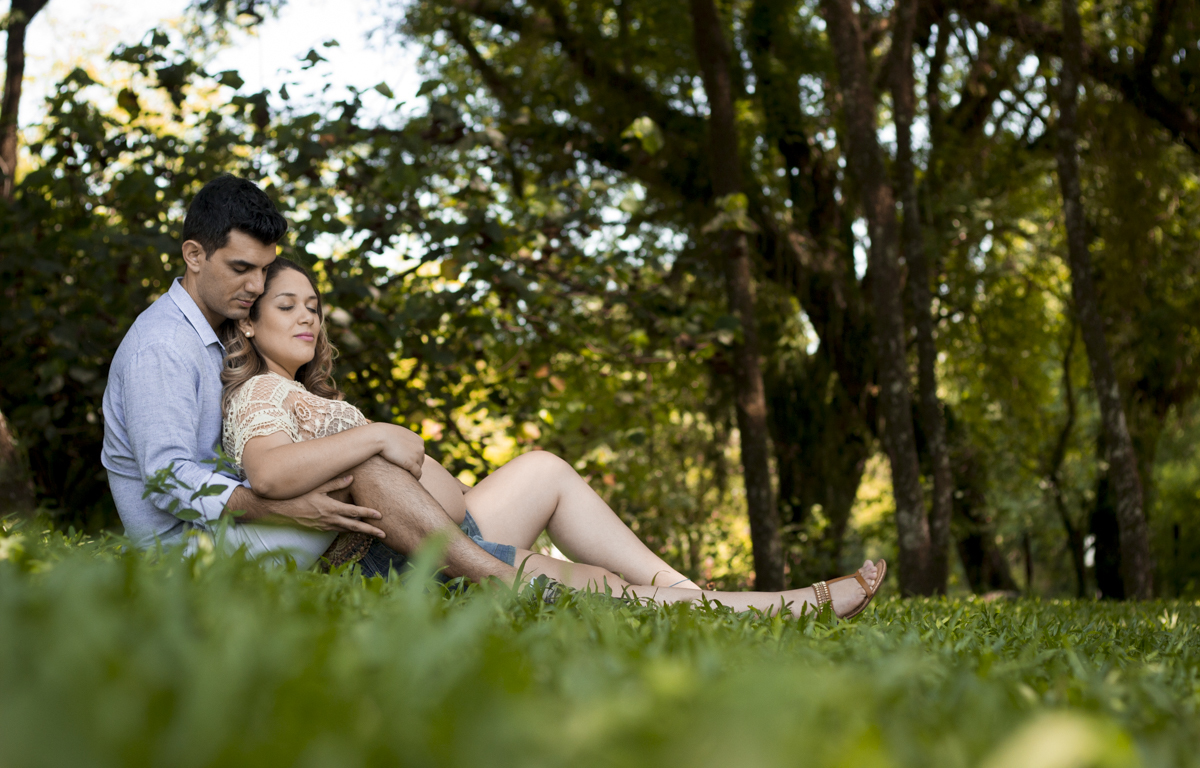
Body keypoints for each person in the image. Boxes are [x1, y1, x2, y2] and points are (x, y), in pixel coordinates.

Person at [102, 174, 883, 618]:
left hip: (377, 539)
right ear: (193, 253)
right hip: (203, 565)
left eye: (266, 276)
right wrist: (306, 485)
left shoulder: (218, 344)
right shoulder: (166, 347)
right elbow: (177, 474)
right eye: (243, 273)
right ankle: (515, 582)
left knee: (561, 514)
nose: (254, 288)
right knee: (388, 478)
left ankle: (727, 602)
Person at [220, 253, 886, 617]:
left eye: (313, 306)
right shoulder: (261, 392)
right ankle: (788, 606)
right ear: (249, 324)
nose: (308, 317)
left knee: (551, 484)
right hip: (398, 560)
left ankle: (701, 594)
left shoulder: (307, 395)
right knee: (588, 582)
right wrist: (377, 438)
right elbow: (271, 474)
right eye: (288, 306)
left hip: (449, 536)